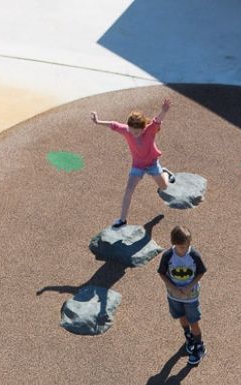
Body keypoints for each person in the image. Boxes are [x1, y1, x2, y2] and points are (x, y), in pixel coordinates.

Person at [91, 99, 175, 228]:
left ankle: (165, 173)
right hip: (138, 166)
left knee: (164, 188)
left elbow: (157, 121)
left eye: (137, 132)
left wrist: (163, 111)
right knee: (128, 190)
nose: (134, 134)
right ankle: (122, 220)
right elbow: (114, 125)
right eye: (131, 131)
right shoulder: (127, 130)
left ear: (143, 128)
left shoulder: (150, 130)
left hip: (152, 164)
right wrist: (98, 122)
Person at [158, 226, 207, 365]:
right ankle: (188, 336)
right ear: (174, 243)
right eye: (181, 247)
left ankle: (199, 347)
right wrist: (172, 287)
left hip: (191, 296)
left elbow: (201, 272)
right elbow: (161, 273)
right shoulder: (168, 256)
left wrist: (190, 286)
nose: (185, 249)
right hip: (174, 296)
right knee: (181, 316)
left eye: (187, 246)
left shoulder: (194, 255)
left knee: (194, 322)